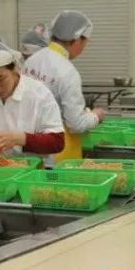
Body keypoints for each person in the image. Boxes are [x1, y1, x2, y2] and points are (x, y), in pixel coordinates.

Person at [23, 10, 104, 163]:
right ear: (78, 40)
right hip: (58, 153)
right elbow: (76, 124)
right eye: (85, 43)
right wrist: (96, 115)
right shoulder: (67, 71)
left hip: (30, 146)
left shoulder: (31, 62)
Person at [0, 39, 64, 157]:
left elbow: (57, 142)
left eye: (1, 79)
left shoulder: (39, 93)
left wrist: (20, 139)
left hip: (30, 166)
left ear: (14, 68)